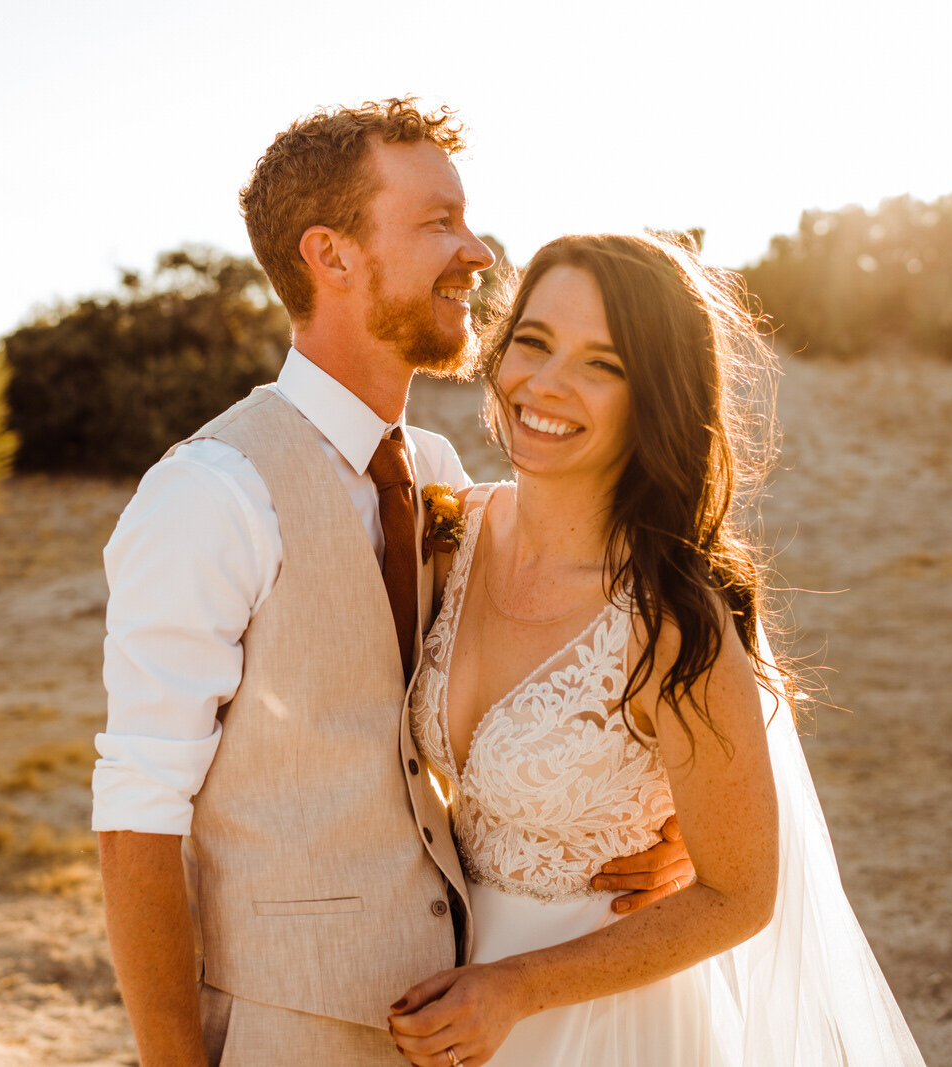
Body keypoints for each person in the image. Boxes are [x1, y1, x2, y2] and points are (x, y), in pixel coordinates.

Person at [92, 102, 692, 1067]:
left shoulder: (443, 471)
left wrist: (672, 823)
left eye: (466, 219)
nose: (477, 250)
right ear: (331, 255)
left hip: (467, 1018)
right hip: (286, 1027)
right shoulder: (210, 492)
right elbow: (136, 817)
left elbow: (596, 645)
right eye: (437, 223)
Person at [388, 233, 927, 1066]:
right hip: (450, 998)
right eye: (533, 342)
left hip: (608, 1023)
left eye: (603, 363)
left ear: (656, 397)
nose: (546, 383)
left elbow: (740, 894)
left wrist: (517, 988)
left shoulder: (673, 621)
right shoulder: (451, 535)